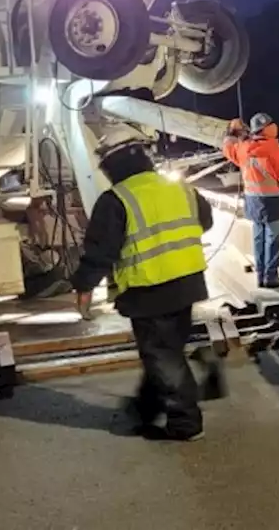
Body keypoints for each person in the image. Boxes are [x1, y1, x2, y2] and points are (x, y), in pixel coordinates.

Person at [70, 125, 214, 442]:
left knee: (163, 358)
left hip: (148, 290)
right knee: (166, 352)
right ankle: (146, 408)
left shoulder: (116, 199)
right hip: (187, 283)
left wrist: (84, 287)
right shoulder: (180, 189)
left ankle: (186, 423)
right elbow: (205, 221)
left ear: (112, 165)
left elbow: (100, 251)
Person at [223, 112, 279, 289]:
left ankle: (260, 275)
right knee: (273, 238)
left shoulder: (243, 148)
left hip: (252, 200)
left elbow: (228, 149)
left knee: (258, 237)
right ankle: (270, 277)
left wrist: (230, 133)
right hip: (272, 201)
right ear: (271, 128)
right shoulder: (277, 150)